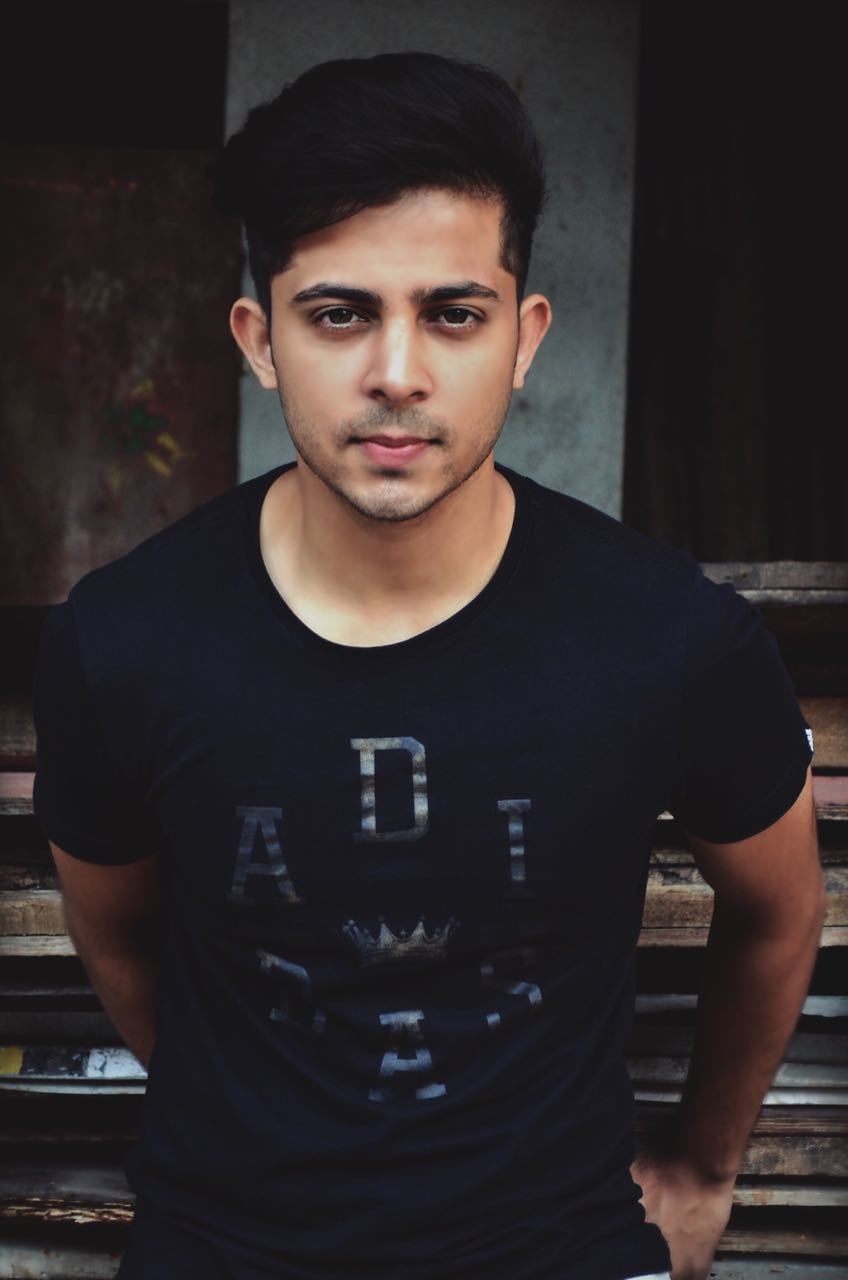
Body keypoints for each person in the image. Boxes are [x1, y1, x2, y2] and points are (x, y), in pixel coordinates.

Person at [31, 51, 825, 1280]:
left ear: (522, 336)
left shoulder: (667, 635)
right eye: (338, 312)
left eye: (452, 313)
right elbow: (121, 937)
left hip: (558, 1246)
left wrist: (704, 1166)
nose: (396, 372)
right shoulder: (124, 640)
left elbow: (778, 906)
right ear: (258, 338)